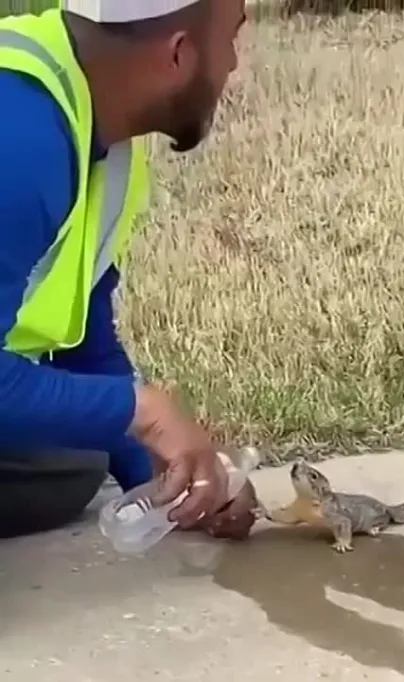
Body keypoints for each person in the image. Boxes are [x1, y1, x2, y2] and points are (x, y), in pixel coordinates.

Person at [0, 0, 258, 541]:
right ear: (180, 53)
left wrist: (170, 484)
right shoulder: (18, 133)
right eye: (232, 38)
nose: (233, 64)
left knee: (71, 462)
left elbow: (85, 349)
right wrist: (145, 413)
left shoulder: (95, 130)